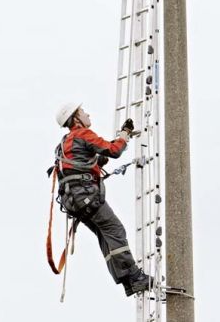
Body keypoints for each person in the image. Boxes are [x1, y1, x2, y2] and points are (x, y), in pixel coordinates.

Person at [54, 102, 152, 296]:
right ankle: (134, 277)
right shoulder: (82, 134)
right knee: (115, 230)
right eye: (83, 112)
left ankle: (127, 282)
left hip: (74, 202)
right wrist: (124, 134)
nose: (87, 113)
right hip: (86, 197)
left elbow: (99, 158)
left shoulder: (65, 144)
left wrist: (114, 145)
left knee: (106, 235)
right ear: (76, 119)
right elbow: (113, 151)